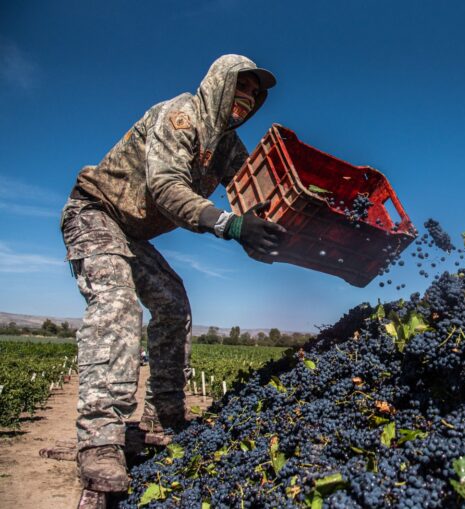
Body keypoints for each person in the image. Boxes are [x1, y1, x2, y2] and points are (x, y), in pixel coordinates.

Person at [60, 54, 286, 493]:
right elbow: (166, 187)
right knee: (118, 302)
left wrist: (265, 230)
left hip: (131, 234)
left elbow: (249, 194)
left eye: (256, 95)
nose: (248, 98)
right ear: (220, 84)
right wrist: (231, 226)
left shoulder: (227, 148)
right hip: (95, 213)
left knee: (173, 304)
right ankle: (100, 441)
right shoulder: (181, 117)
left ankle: (163, 416)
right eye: (242, 87)